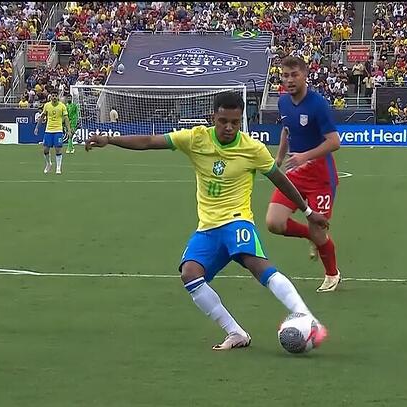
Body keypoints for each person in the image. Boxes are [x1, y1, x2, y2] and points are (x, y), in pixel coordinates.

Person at [85, 92, 330, 351]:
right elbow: (148, 141)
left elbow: (279, 179)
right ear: (213, 117)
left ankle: (310, 320)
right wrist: (109, 139)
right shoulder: (195, 138)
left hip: (237, 221)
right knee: (190, 274)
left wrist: (308, 211)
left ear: (241, 120)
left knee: (258, 265)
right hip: (208, 227)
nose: (228, 127)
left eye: (235, 122)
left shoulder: (252, 149)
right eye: (223, 121)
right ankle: (235, 332)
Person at [265, 56, 343, 293]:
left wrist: (304, 156)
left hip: (320, 174)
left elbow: (334, 142)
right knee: (274, 223)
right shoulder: (283, 103)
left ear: (305, 75)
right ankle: (310, 234)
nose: (289, 80)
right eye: (285, 76)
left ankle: (332, 274)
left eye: (294, 75)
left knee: (319, 228)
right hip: (295, 173)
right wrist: (279, 158)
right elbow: (286, 130)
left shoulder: (318, 104)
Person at [35, 92, 71, 174]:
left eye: (55, 96)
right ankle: (48, 164)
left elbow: (66, 118)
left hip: (58, 130)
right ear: (50, 97)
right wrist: (37, 127)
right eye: (53, 96)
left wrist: (69, 130)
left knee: (58, 149)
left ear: (58, 97)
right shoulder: (47, 105)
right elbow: (42, 116)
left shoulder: (62, 106)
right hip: (48, 130)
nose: (54, 97)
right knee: (45, 149)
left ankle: (58, 168)